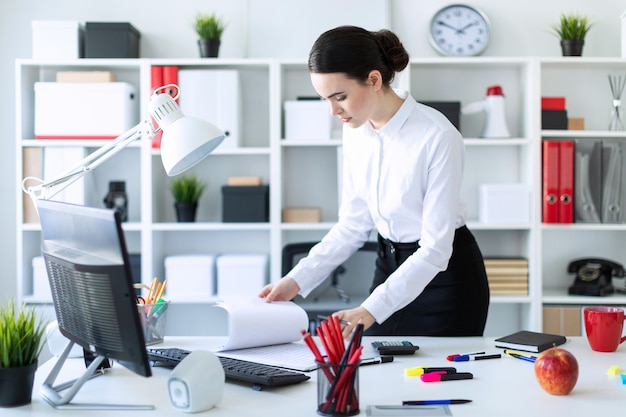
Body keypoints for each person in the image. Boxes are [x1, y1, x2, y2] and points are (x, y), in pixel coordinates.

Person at [258, 25, 489, 337]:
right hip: (389, 265)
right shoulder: (355, 131)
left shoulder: (437, 135)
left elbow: (435, 249)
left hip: (444, 278)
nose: (333, 111)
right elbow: (353, 225)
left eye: (340, 96)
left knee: (434, 380)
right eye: (325, 99)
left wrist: (371, 308)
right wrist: (296, 280)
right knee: (374, 369)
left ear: (374, 79)